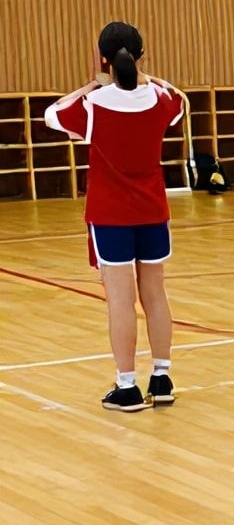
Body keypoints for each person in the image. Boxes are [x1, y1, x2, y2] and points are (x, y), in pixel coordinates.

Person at [45, 22, 186, 411]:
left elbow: (52, 114)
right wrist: (146, 77)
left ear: (102, 58)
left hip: (110, 215)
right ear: (142, 56)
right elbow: (180, 100)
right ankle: (162, 377)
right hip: (153, 210)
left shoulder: (93, 105)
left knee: (121, 300)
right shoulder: (159, 98)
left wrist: (92, 85)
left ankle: (127, 385)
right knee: (155, 293)